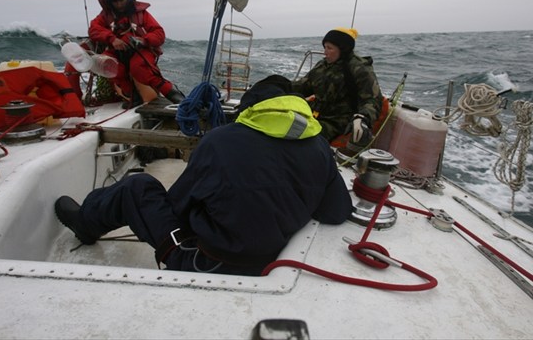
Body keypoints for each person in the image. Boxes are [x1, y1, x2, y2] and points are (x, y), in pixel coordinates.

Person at [54, 75, 353, 276]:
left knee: (138, 186)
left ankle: (85, 224)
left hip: (205, 264)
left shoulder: (220, 140)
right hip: (273, 265)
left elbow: (178, 208)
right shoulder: (319, 146)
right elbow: (337, 211)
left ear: (250, 109)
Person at [88, 0, 185, 107]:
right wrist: (111, 39)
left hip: (140, 50)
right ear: (110, 2)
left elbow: (159, 34)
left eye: (122, 0)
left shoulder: (142, 14)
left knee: (139, 68)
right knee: (107, 65)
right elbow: (94, 30)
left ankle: (174, 94)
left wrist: (144, 40)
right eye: (115, 2)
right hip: (116, 52)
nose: (119, 4)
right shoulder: (105, 16)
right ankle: (133, 96)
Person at [292, 27, 388, 148]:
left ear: (343, 49)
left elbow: (372, 100)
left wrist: (362, 118)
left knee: (302, 141)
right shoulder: (323, 65)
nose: (325, 52)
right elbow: (303, 85)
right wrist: (277, 85)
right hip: (314, 114)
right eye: (325, 47)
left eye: (329, 48)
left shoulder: (359, 69)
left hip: (338, 121)